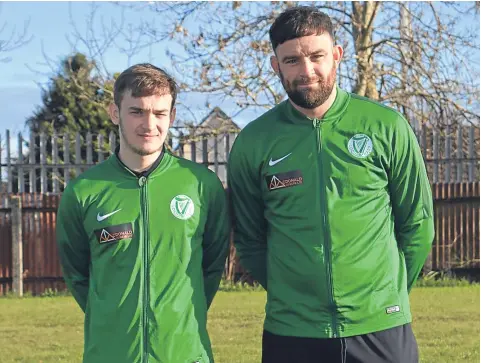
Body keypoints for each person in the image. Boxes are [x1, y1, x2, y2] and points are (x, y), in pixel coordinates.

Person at [227, 6, 434, 363]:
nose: (307, 71)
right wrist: (293, 295)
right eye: (292, 60)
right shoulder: (253, 142)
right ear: (275, 66)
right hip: (292, 331)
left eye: (317, 56)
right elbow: (249, 238)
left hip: (380, 327)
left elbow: (417, 225)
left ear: (337, 55)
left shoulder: (386, 127)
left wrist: (385, 294)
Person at [56, 63, 230, 363]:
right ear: (115, 113)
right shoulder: (83, 192)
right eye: (137, 111)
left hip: (186, 353)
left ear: (172, 116)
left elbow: (211, 268)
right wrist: (115, 317)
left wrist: (177, 317)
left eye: (160, 113)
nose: (149, 125)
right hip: (110, 354)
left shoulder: (202, 185)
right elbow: (77, 274)